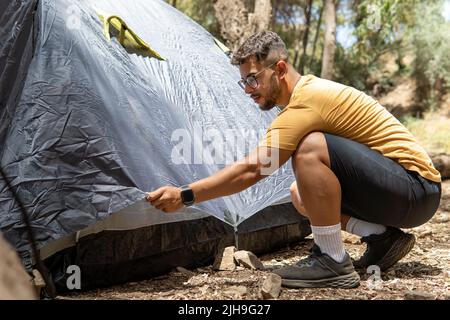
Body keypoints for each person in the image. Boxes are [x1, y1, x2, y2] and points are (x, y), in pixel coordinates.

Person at [146, 31, 441, 289]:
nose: (248, 89)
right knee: (301, 195)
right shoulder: (305, 98)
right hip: (407, 193)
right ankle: (382, 238)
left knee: (309, 147)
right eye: (244, 82)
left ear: (281, 68)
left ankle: (332, 261)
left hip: (416, 188)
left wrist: (185, 195)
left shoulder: (305, 102)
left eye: (253, 78)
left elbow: (254, 169)